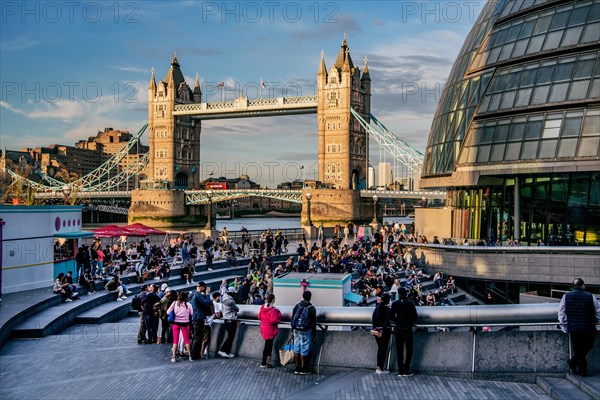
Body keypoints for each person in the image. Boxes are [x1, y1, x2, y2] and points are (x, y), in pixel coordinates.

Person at [558, 278, 600, 377]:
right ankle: (580, 368)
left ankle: (575, 365)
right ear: (583, 285)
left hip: (574, 328)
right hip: (588, 327)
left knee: (577, 349)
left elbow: (561, 312)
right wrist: (597, 320)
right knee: (588, 345)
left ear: (573, 286)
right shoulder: (591, 296)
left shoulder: (566, 296)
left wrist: (564, 324)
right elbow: (598, 311)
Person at [391, 287, 418, 377]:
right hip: (407, 328)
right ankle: (406, 369)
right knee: (409, 349)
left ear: (398, 294)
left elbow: (391, 316)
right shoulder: (410, 303)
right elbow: (415, 317)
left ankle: (400, 370)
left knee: (399, 349)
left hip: (398, 328)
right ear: (406, 294)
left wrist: (397, 320)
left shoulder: (395, 304)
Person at [291, 290, 317, 375]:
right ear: (310, 297)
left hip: (296, 330)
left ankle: (297, 368)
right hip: (306, 330)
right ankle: (303, 369)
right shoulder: (311, 308)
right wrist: (314, 335)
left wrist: (292, 331)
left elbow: (293, 319)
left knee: (296, 348)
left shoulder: (297, 306)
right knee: (304, 349)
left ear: (303, 296)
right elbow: (313, 323)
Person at [166, 290, 193, 363]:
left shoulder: (175, 303)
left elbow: (168, 312)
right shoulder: (188, 304)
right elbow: (191, 313)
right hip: (185, 323)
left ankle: (174, 357)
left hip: (176, 323)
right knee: (187, 340)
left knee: (175, 341)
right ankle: (190, 356)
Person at [258, 293, 282, 368]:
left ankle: (265, 362)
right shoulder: (272, 310)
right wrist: (278, 320)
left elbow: (259, 317)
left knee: (267, 345)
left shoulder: (262, 307)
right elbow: (273, 321)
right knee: (268, 346)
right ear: (273, 300)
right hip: (270, 330)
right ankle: (265, 363)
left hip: (264, 328)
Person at [190, 282, 213, 360]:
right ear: (202, 287)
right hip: (198, 317)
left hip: (194, 317)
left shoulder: (193, 294)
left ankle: (193, 354)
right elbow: (206, 303)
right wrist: (207, 294)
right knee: (198, 337)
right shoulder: (198, 295)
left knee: (196, 337)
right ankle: (194, 355)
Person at [372, 293, 392, 374]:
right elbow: (387, 320)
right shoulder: (387, 309)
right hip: (385, 331)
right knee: (383, 349)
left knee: (380, 348)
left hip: (376, 331)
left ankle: (378, 366)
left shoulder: (377, 308)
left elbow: (373, 320)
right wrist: (383, 330)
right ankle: (380, 367)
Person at [218, 287, 239, 359]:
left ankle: (225, 351)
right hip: (231, 320)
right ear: (232, 293)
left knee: (229, 336)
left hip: (226, 319)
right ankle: (224, 351)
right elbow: (237, 309)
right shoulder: (230, 301)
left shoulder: (223, 298)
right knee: (230, 337)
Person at [202, 291, 222, 359]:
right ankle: (202, 353)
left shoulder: (207, 303)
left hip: (203, 322)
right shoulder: (215, 304)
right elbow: (217, 315)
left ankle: (202, 352)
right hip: (208, 324)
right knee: (206, 340)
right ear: (217, 297)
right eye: (219, 297)